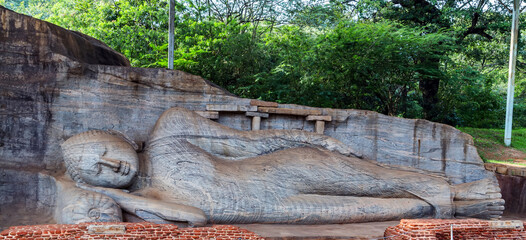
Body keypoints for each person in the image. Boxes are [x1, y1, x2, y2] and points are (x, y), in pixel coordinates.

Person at [62, 107, 504, 226]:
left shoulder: (169, 131)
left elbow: (249, 141)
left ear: (119, 137)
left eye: (105, 149)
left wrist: (315, 139)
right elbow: (195, 218)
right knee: (382, 210)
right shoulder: (149, 199)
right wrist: (116, 197)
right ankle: (461, 208)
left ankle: (466, 192)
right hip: (280, 207)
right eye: (95, 170)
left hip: (287, 170)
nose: (110, 164)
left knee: (383, 180)